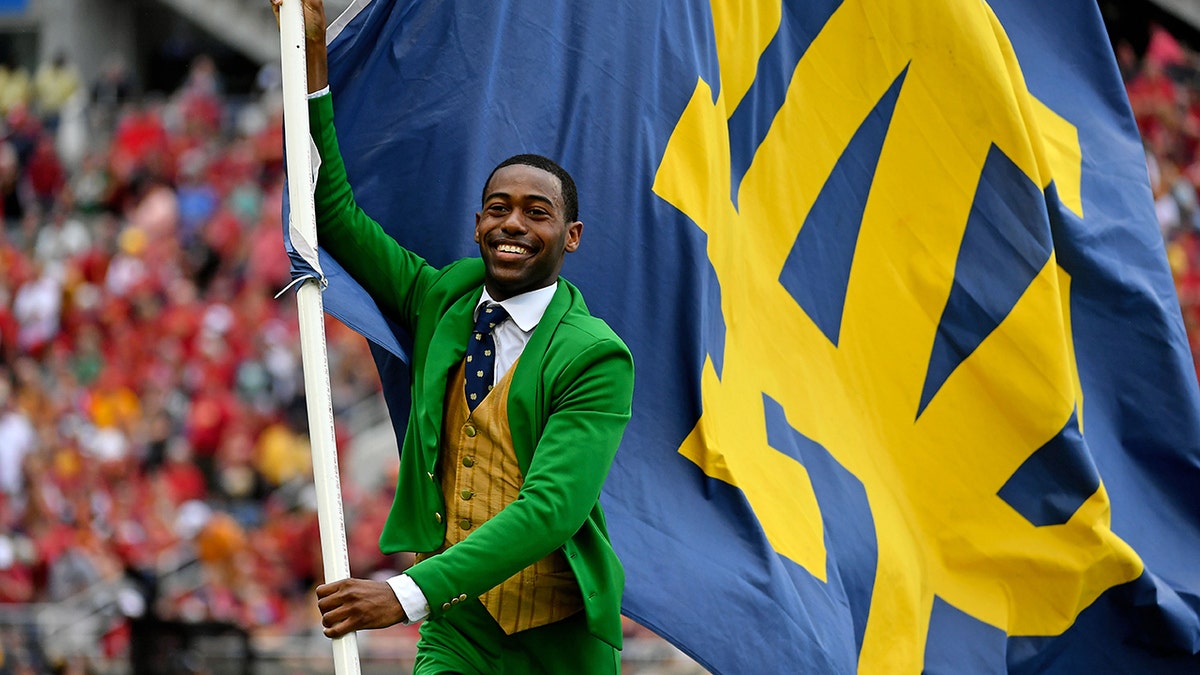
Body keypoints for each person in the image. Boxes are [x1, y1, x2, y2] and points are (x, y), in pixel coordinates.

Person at [271, 1, 635, 672]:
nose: (513, 224)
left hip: (559, 640)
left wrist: (402, 594)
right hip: (456, 627)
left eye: (537, 212)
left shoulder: (595, 356)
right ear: (476, 225)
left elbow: (551, 511)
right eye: (498, 208)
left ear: (572, 237)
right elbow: (334, 214)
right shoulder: (440, 297)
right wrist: (313, 60)